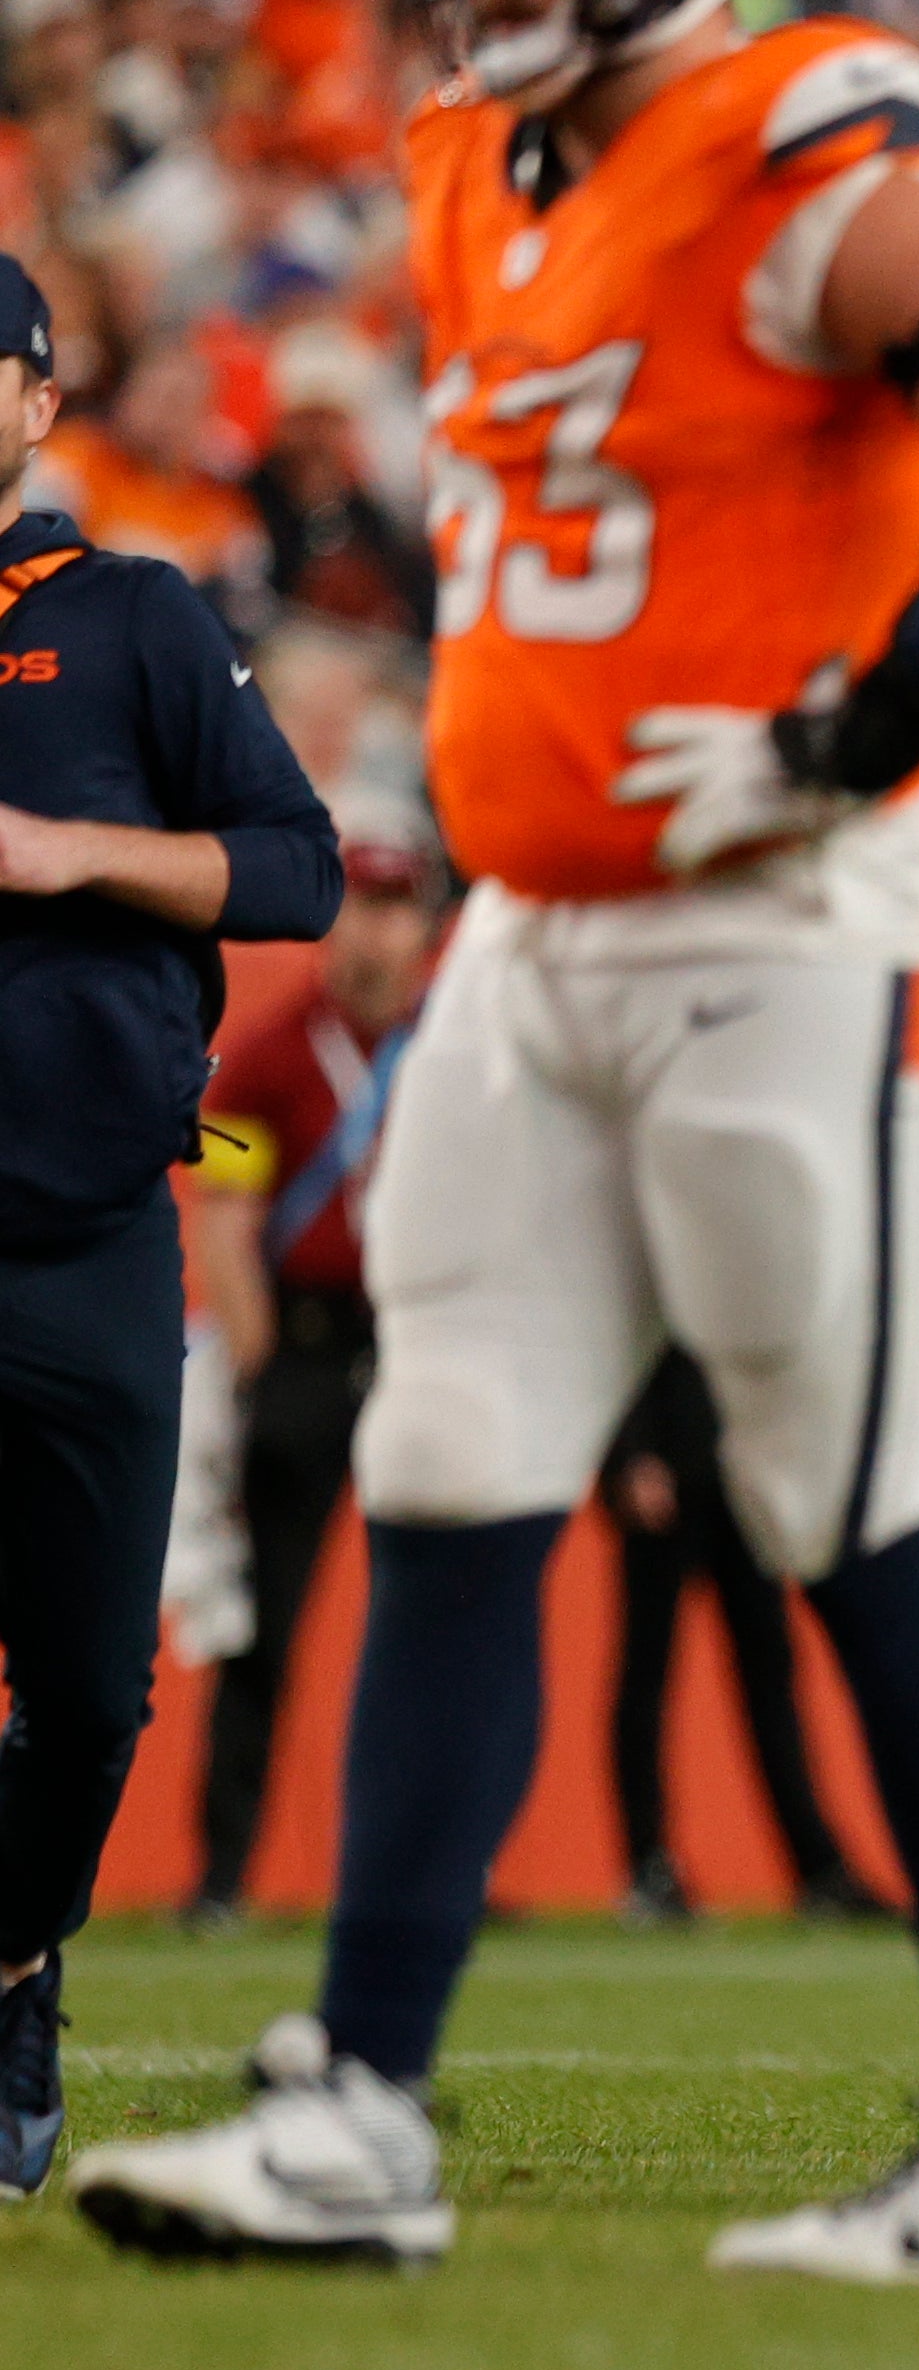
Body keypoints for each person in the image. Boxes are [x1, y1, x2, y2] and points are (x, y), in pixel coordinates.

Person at [73, 0, 919, 2283]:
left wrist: (869, 721)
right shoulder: (475, 151)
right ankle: (357, 2104)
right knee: (453, 1457)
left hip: (791, 918)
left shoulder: (798, 134)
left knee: (847, 1498)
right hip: (542, 932)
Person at [0, 248, 342, 2200]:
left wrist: (71, 853)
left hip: (83, 1230)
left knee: (96, 1694)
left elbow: (292, 869)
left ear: (42, 399)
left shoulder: (128, 615)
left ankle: (16, 1946)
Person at [179, 790, 442, 1928]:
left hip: (421, 1345)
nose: (378, 932)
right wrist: (253, 1353)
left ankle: (442, 1865)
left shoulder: (456, 1051)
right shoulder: (262, 1060)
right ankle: (224, 1872)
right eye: (361, 906)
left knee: (438, 1619)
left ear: (424, 924)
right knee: (264, 1630)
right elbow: (224, 1208)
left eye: (398, 907)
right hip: (305, 1346)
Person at [595, 1347, 886, 1925]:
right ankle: (647, 1866)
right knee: (648, 1673)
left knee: (771, 1676)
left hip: (745, 1484)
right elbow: (616, 1341)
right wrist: (628, 1456)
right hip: (667, 1469)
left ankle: (817, 1868)